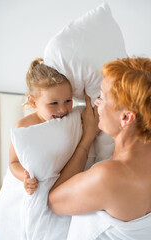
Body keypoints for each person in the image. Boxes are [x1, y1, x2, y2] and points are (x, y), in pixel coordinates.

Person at [48, 57, 151, 240]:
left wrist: (87, 139)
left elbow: (54, 202)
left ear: (126, 118)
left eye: (102, 97)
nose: (96, 104)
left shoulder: (108, 176)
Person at [0, 58, 78, 240]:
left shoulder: (69, 122)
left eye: (68, 100)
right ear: (33, 102)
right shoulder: (24, 127)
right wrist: (24, 176)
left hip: (49, 189)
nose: (63, 109)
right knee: (5, 228)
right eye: (53, 103)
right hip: (20, 186)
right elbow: (13, 162)